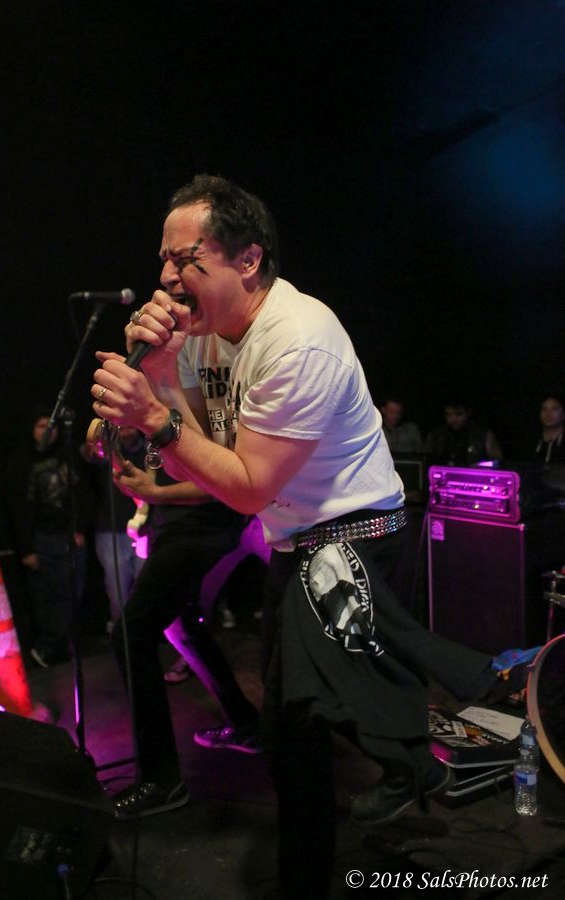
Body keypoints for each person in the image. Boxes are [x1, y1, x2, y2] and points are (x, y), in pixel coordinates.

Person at [91, 175, 527, 899]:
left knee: (297, 724)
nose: (166, 277)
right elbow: (211, 453)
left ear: (248, 260)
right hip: (298, 539)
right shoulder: (202, 340)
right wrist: (161, 380)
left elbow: (244, 486)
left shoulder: (298, 341)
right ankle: (419, 762)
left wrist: (158, 419)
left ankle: (423, 765)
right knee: (300, 716)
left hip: (355, 533)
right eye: (164, 258)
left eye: (187, 259)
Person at [102, 443, 262, 822]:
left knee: (132, 634)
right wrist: (139, 491)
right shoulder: (152, 430)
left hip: (211, 525)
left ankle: (162, 781)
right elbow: (153, 481)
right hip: (180, 528)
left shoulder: (184, 412)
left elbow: (225, 479)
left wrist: (155, 494)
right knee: (180, 626)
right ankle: (247, 724)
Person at [3, 409, 90, 668]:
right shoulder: (21, 462)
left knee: (71, 593)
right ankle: (50, 647)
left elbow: (83, 494)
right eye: (42, 426)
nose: (47, 431)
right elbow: (17, 509)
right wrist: (26, 549)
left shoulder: (68, 454)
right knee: (45, 598)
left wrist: (79, 528)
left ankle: (53, 647)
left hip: (68, 536)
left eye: (51, 426)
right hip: (41, 538)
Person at [82, 424, 147, 632]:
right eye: (122, 426)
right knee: (117, 589)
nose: (126, 429)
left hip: (144, 526)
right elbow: (89, 453)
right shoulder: (109, 450)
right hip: (110, 529)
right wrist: (96, 447)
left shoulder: (149, 449)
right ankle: (122, 632)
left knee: (146, 584)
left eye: (130, 425)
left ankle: (144, 632)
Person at [425, 398, 502, 465]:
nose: (453, 419)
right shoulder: (436, 434)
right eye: (449, 415)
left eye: (459, 414)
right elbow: (425, 459)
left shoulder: (482, 434)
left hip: (473, 475)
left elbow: (497, 461)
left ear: (468, 413)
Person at [533, 394, 565, 463]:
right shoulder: (531, 441)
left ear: (563, 414)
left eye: (554, 409)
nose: (548, 414)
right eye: (544, 409)